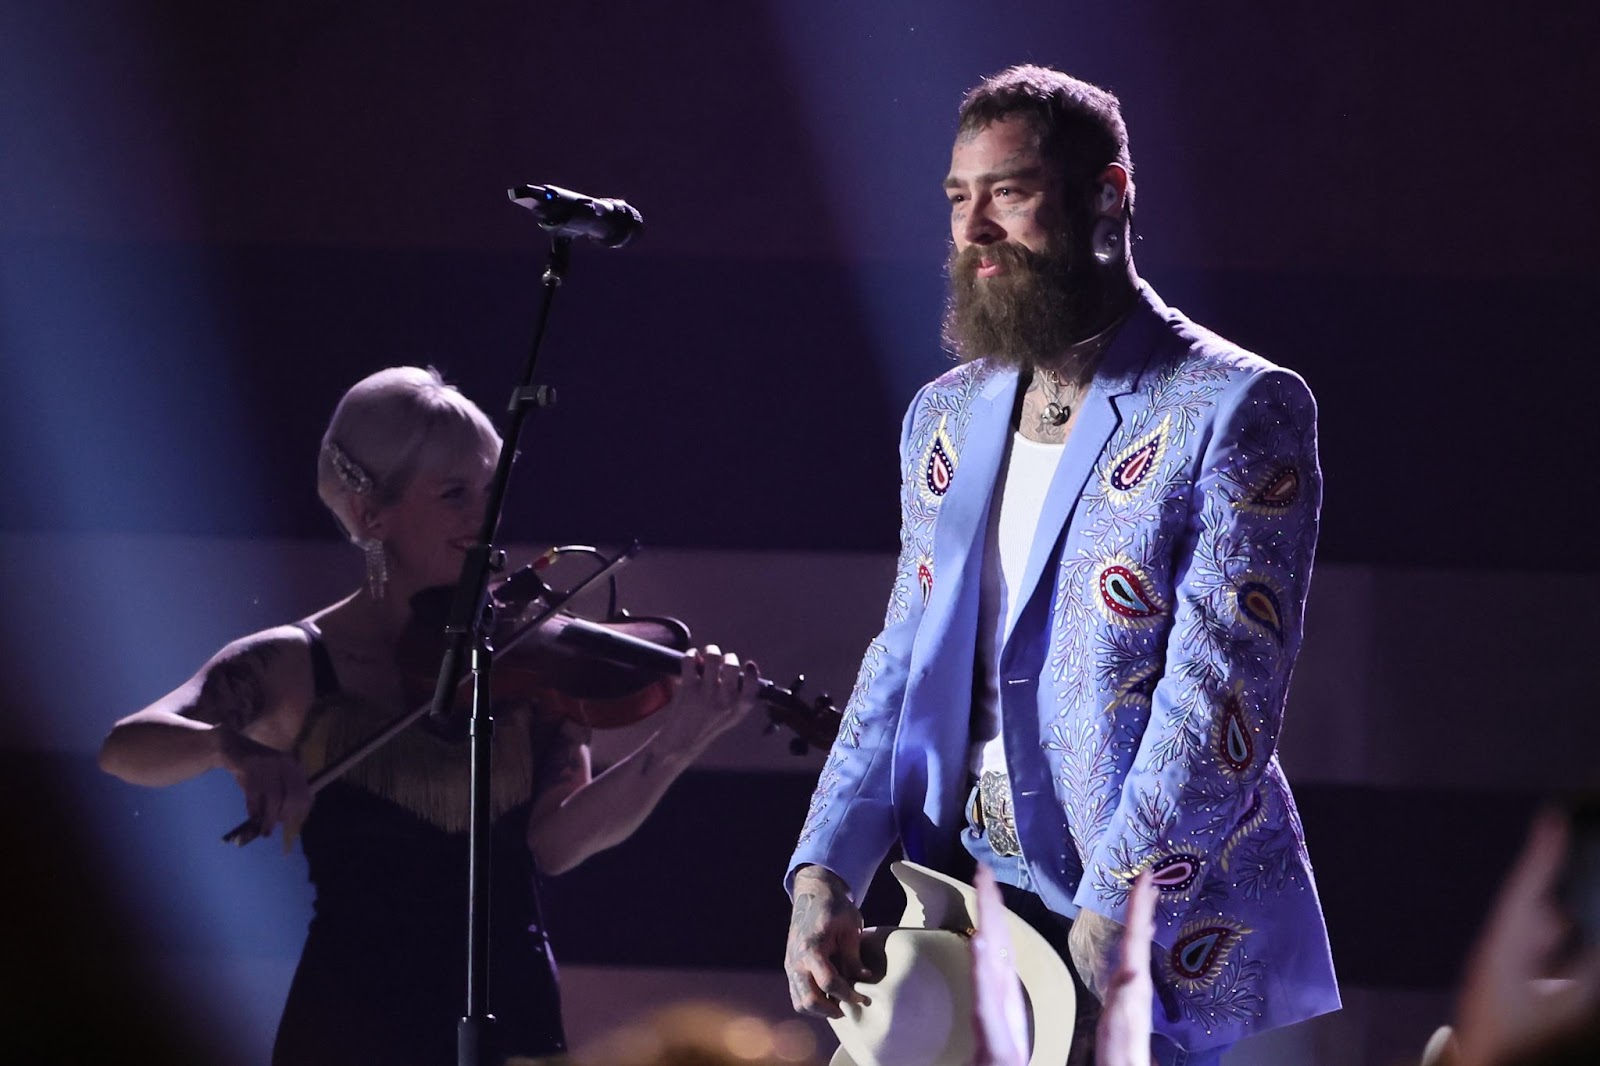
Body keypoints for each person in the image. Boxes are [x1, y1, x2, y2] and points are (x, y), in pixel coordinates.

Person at [783, 65, 1339, 1065]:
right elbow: (900, 656)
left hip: (1148, 918)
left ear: (1108, 195)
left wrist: (1113, 911)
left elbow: (1223, 698)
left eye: (1009, 191)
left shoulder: (1233, 406)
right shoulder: (944, 414)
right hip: (958, 895)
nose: (975, 228)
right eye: (959, 198)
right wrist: (825, 869)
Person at [99, 366, 759, 1066]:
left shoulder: (525, 654)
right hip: (352, 1023)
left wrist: (674, 748)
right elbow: (126, 747)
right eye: (454, 496)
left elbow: (554, 844)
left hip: (512, 1013)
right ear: (368, 513)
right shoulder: (294, 662)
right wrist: (235, 749)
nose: (484, 519)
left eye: (489, 491)